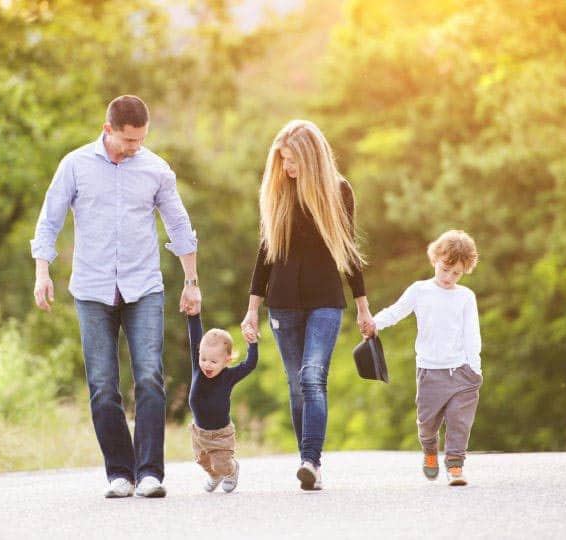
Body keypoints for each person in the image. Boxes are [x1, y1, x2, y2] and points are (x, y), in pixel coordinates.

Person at [31, 95, 201, 499]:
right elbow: (49, 219)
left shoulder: (155, 169)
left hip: (144, 287)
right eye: (128, 140)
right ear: (108, 130)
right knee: (103, 385)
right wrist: (42, 273)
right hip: (92, 290)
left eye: (141, 139)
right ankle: (120, 473)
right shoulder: (75, 165)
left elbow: (179, 224)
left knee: (150, 378)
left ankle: (150, 473)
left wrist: (192, 281)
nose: (136, 147)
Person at [240, 119, 374, 491]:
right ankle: (307, 462)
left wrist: (363, 307)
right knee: (297, 385)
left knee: (312, 376)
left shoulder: (339, 191)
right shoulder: (278, 191)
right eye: (282, 160)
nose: (287, 167)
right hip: (282, 303)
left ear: (312, 158)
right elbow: (265, 254)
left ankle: (311, 461)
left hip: (325, 301)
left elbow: (349, 253)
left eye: (293, 160)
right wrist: (252, 309)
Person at [371, 230, 482, 486]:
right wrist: (373, 324)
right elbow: (396, 312)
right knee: (427, 424)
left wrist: (474, 368)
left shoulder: (465, 297)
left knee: (459, 422)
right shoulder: (420, 291)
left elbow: (472, 334)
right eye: (445, 269)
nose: (449, 277)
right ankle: (430, 450)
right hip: (430, 372)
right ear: (435, 260)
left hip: (461, 372)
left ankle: (455, 466)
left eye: (456, 273)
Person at [186, 312, 258, 493]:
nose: (207, 365)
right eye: (203, 359)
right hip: (199, 432)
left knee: (221, 465)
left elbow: (250, 364)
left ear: (227, 360)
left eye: (213, 361)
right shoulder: (198, 369)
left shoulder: (229, 376)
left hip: (221, 435)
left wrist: (252, 344)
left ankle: (231, 470)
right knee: (202, 461)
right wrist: (193, 316)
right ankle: (214, 476)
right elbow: (195, 335)